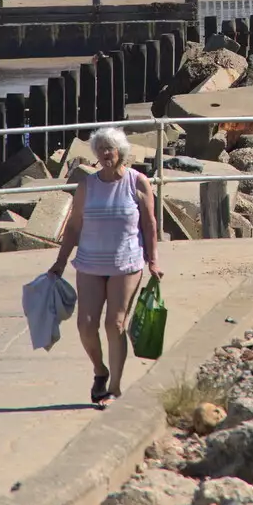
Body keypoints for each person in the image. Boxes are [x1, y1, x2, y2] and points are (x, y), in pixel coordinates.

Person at [46, 128, 162, 405]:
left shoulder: (138, 182)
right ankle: (100, 371)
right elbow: (74, 226)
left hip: (127, 261)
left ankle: (116, 388)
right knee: (86, 325)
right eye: (101, 150)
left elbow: (149, 223)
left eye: (110, 149)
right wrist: (60, 262)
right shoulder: (87, 185)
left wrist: (153, 259)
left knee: (115, 323)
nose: (106, 154)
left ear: (120, 151)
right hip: (90, 262)